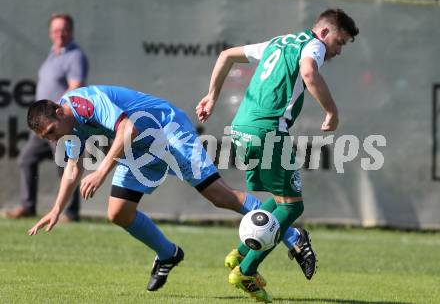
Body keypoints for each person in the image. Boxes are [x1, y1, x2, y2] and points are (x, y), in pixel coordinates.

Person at [26, 85, 305, 292]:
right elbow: (73, 168)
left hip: (167, 131)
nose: (52, 139)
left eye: (51, 131)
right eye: (47, 137)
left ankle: (294, 236)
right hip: (138, 149)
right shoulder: (69, 127)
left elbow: (128, 128)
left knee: (219, 196)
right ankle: (168, 253)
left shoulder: (85, 102)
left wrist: (100, 172)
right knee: (119, 213)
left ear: (59, 112)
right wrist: (55, 209)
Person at [196, 8, 359, 302]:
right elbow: (309, 72)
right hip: (269, 128)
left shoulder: (279, 41)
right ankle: (246, 271)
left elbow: (225, 56)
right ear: (324, 33)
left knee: (281, 195)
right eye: (340, 41)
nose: (338, 49)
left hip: (242, 126)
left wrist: (212, 95)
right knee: (292, 208)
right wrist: (332, 111)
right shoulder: (314, 45)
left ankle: (242, 253)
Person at [6, 13, 88, 221]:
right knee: (26, 159)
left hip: (59, 123)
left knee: (67, 165)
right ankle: (28, 206)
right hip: (45, 124)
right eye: (55, 30)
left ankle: (70, 212)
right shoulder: (53, 55)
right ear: (50, 33)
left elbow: (75, 88)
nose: (60, 34)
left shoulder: (75, 56)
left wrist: (59, 115)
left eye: (64, 29)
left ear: (71, 31)